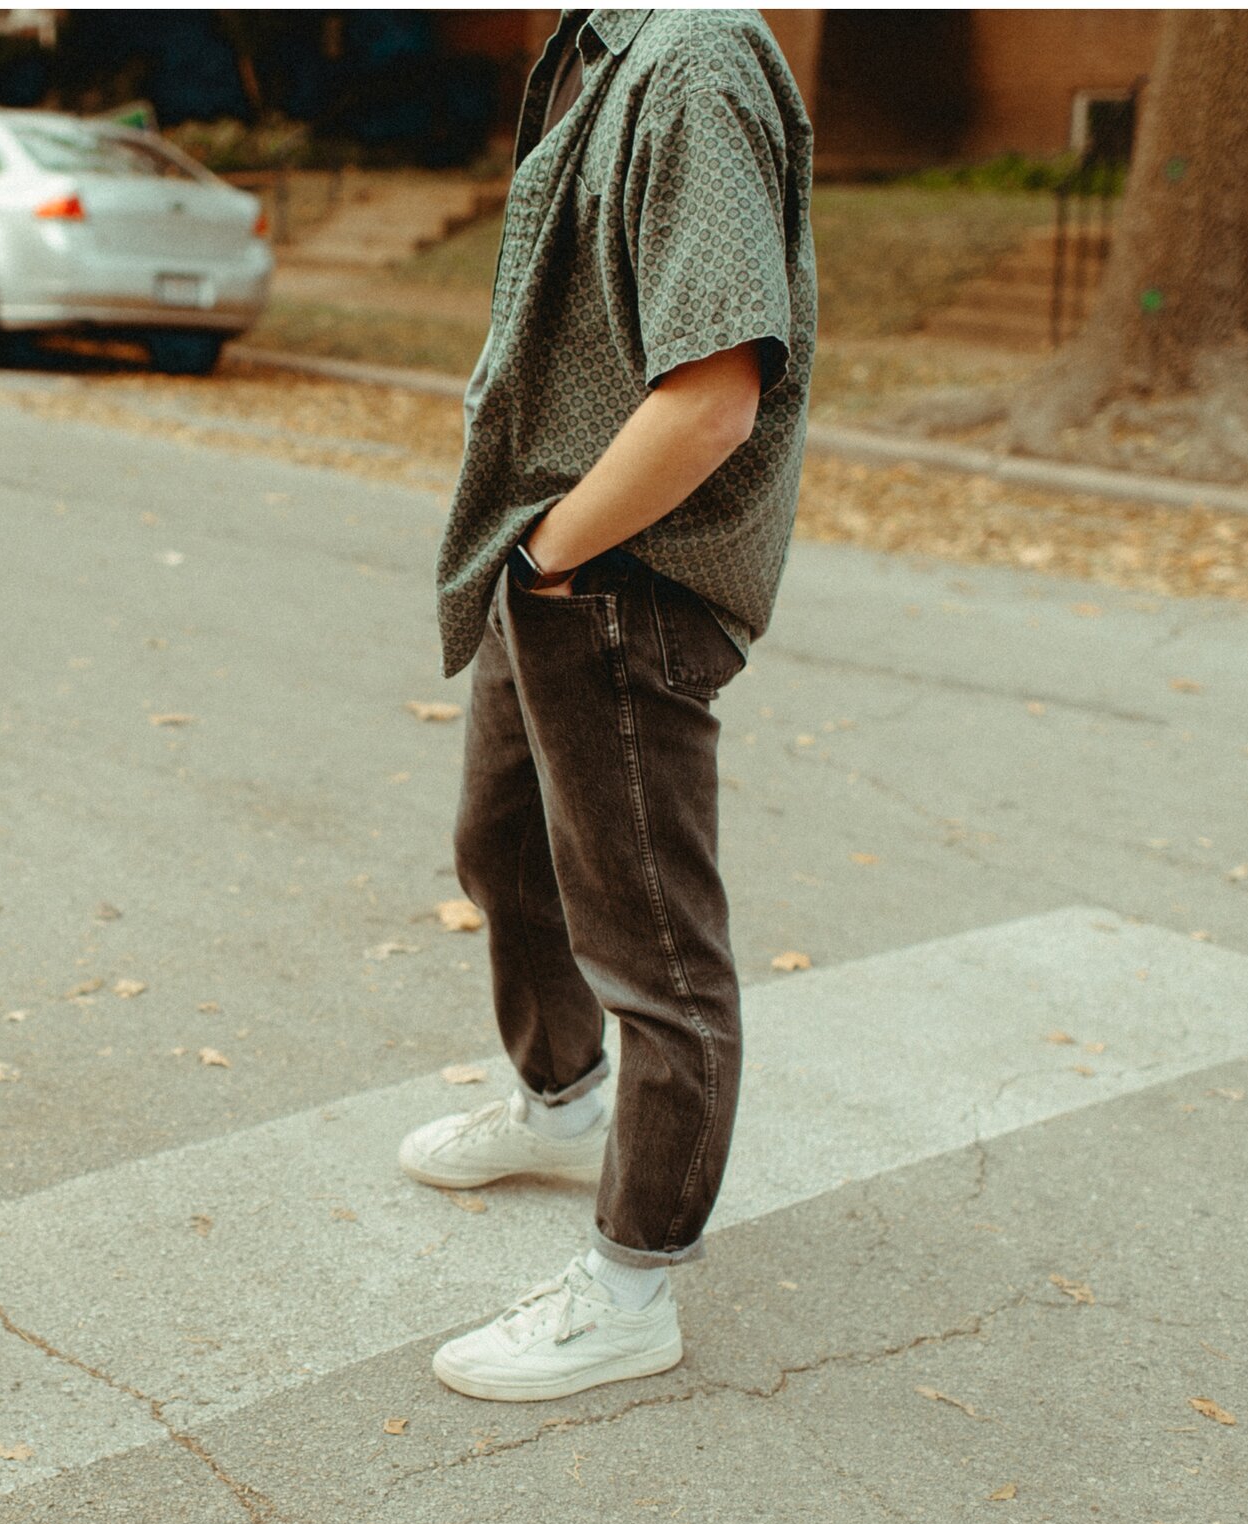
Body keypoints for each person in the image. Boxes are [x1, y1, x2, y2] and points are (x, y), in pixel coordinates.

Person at [397, 8, 815, 1402]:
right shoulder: (599, 42)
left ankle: (634, 1287)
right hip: (557, 556)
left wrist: (561, 551)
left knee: (659, 956)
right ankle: (563, 1103)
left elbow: (714, 393)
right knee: (503, 851)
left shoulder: (690, 57)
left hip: (620, 570)